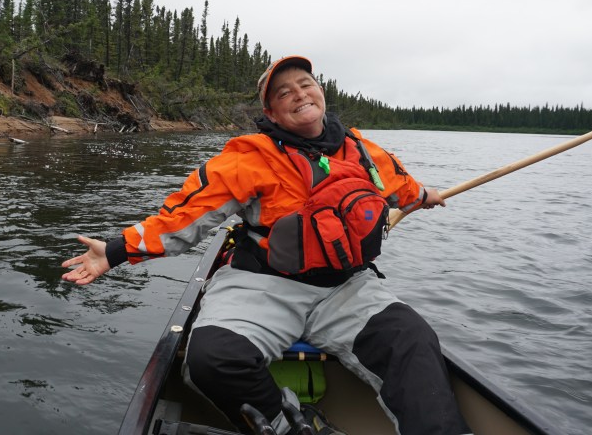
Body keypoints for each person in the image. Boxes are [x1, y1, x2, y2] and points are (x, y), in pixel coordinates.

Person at [61, 56, 470, 435]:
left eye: (305, 84)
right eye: (284, 93)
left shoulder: (362, 149)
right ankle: (292, 424)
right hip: (264, 284)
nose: (299, 95)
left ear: (320, 92)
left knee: (411, 339)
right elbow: (182, 219)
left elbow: (400, 186)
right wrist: (114, 252)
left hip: (348, 287)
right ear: (271, 112)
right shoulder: (248, 157)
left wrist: (423, 195)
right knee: (212, 358)